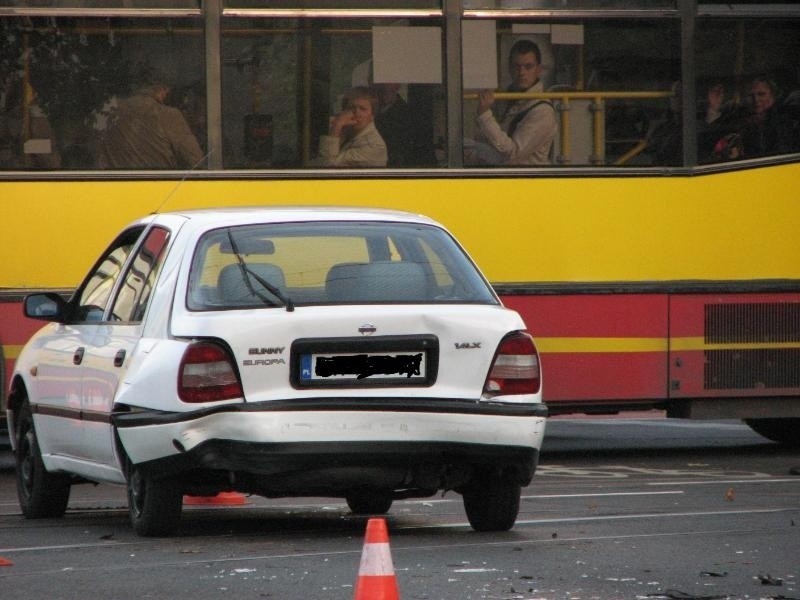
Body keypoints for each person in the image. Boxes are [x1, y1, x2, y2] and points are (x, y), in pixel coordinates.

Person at [96, 64, 204, 170]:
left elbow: (93, 152)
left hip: (113, 185)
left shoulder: (109, 110)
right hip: (159, 185)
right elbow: (196, 161)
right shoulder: (168, 115)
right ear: (163, 90)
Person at [471, 39, 558, 166]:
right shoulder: (507, 97)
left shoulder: (543, 111)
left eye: (528, 67)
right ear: (509, 68)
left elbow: (513, 153)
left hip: (528, 178)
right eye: (517, 67)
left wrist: (484, 115)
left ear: (538, 70)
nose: (522, 73)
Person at [318, 86, 387, 167]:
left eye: (362, 109)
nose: (356, 113)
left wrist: (336, 126)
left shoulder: (374, 146)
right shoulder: (348, 131)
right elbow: (318, 161)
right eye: (351, 107)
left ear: (372, 115)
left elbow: (327, 167)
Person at [737, 75, 794, 158]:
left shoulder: (783, 122)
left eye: (761, 94)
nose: (756, 99)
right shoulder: (737, 119)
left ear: (773, 95)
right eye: (750, 95)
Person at [373, 82, 413, 167]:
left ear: (398, 85)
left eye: (388, 80)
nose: (384, 85)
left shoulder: (407, 116)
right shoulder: (364, 112)